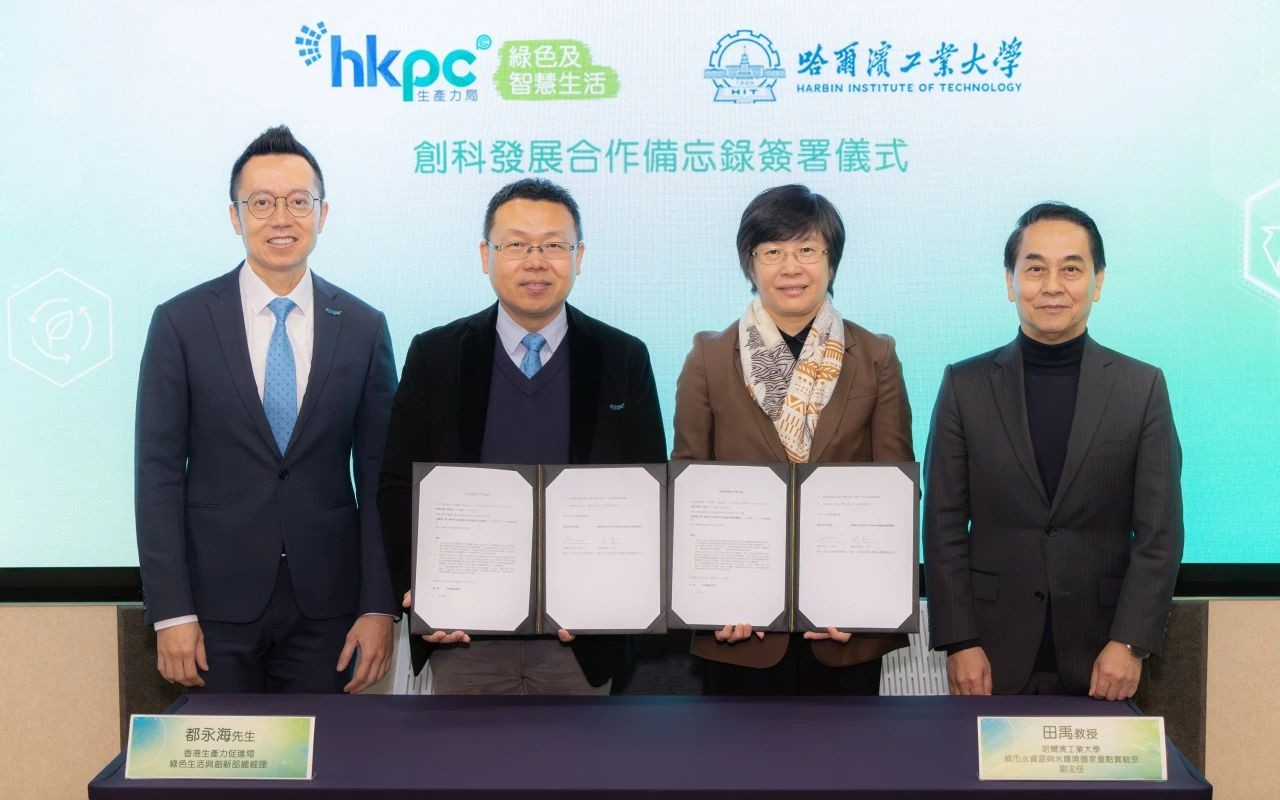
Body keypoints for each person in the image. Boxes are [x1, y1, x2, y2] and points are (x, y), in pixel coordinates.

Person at [134, 125, 398, 693]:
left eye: (299, 201)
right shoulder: (181, 322)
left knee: (329, 750)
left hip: (329, 609)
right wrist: (170, 611)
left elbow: (381, 476)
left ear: (323, 214)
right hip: (212, 607)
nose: (282, 218)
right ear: (235, 216)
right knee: (223, 754)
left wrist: (379, 605)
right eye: (261, 202)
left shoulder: (363, 326)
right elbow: (157, 474)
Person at [379, 178, 667, 694]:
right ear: (485, 255)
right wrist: (423, 593)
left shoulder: (623, 357)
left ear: (579, 257)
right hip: (464, 636)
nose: (536, 261)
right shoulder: (436, 354)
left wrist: (617, 600)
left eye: (554, 245)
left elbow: (650, 490)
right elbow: (398, 485)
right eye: (516, 244)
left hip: (581, 641)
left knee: (582, 752)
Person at [924, 202, 1183, 700]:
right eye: (1035, 268)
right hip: (989, 654)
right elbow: (943, 525)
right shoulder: (964, 385)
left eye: (1071, 269)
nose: (1052, 286)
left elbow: (1160, 532)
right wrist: (960, 641)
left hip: (1104, 653)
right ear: (1010, 281)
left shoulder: (1141, 387)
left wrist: (1130, 642)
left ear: (1098, 282)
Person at [671, 184, 913, 694]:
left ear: (832, 261)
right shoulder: (708, 358)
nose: (791, 267)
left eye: (807, 249)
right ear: (749, 262)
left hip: (845, 627)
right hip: (739, 627)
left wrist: (868, 602)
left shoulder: (876, 356)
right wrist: (709, 599)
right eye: (772, 251)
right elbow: (686, 488)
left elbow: (896, 490)